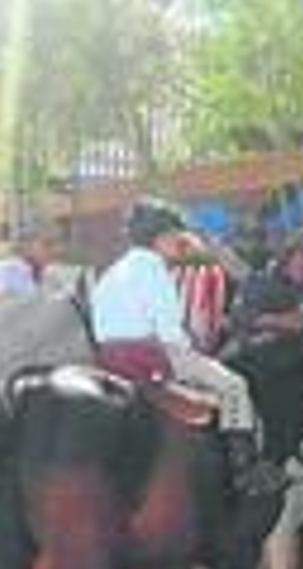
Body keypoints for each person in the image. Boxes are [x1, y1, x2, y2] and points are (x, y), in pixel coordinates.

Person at [91, 198, 285, 497]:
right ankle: (244, 470)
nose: (179, 244)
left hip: (107, 357)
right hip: (150, 355)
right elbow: (170, 332)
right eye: (175, 237)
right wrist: (197, 353)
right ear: (161, 237)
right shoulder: (153, 270)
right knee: (234, 385)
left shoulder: (111, 272)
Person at [227, 232, 303, 342]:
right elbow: (237, 312)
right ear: (289, 256)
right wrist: (267, 320)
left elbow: (299, 319)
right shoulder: (263, 278)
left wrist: (271, 320)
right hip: (247, 342)